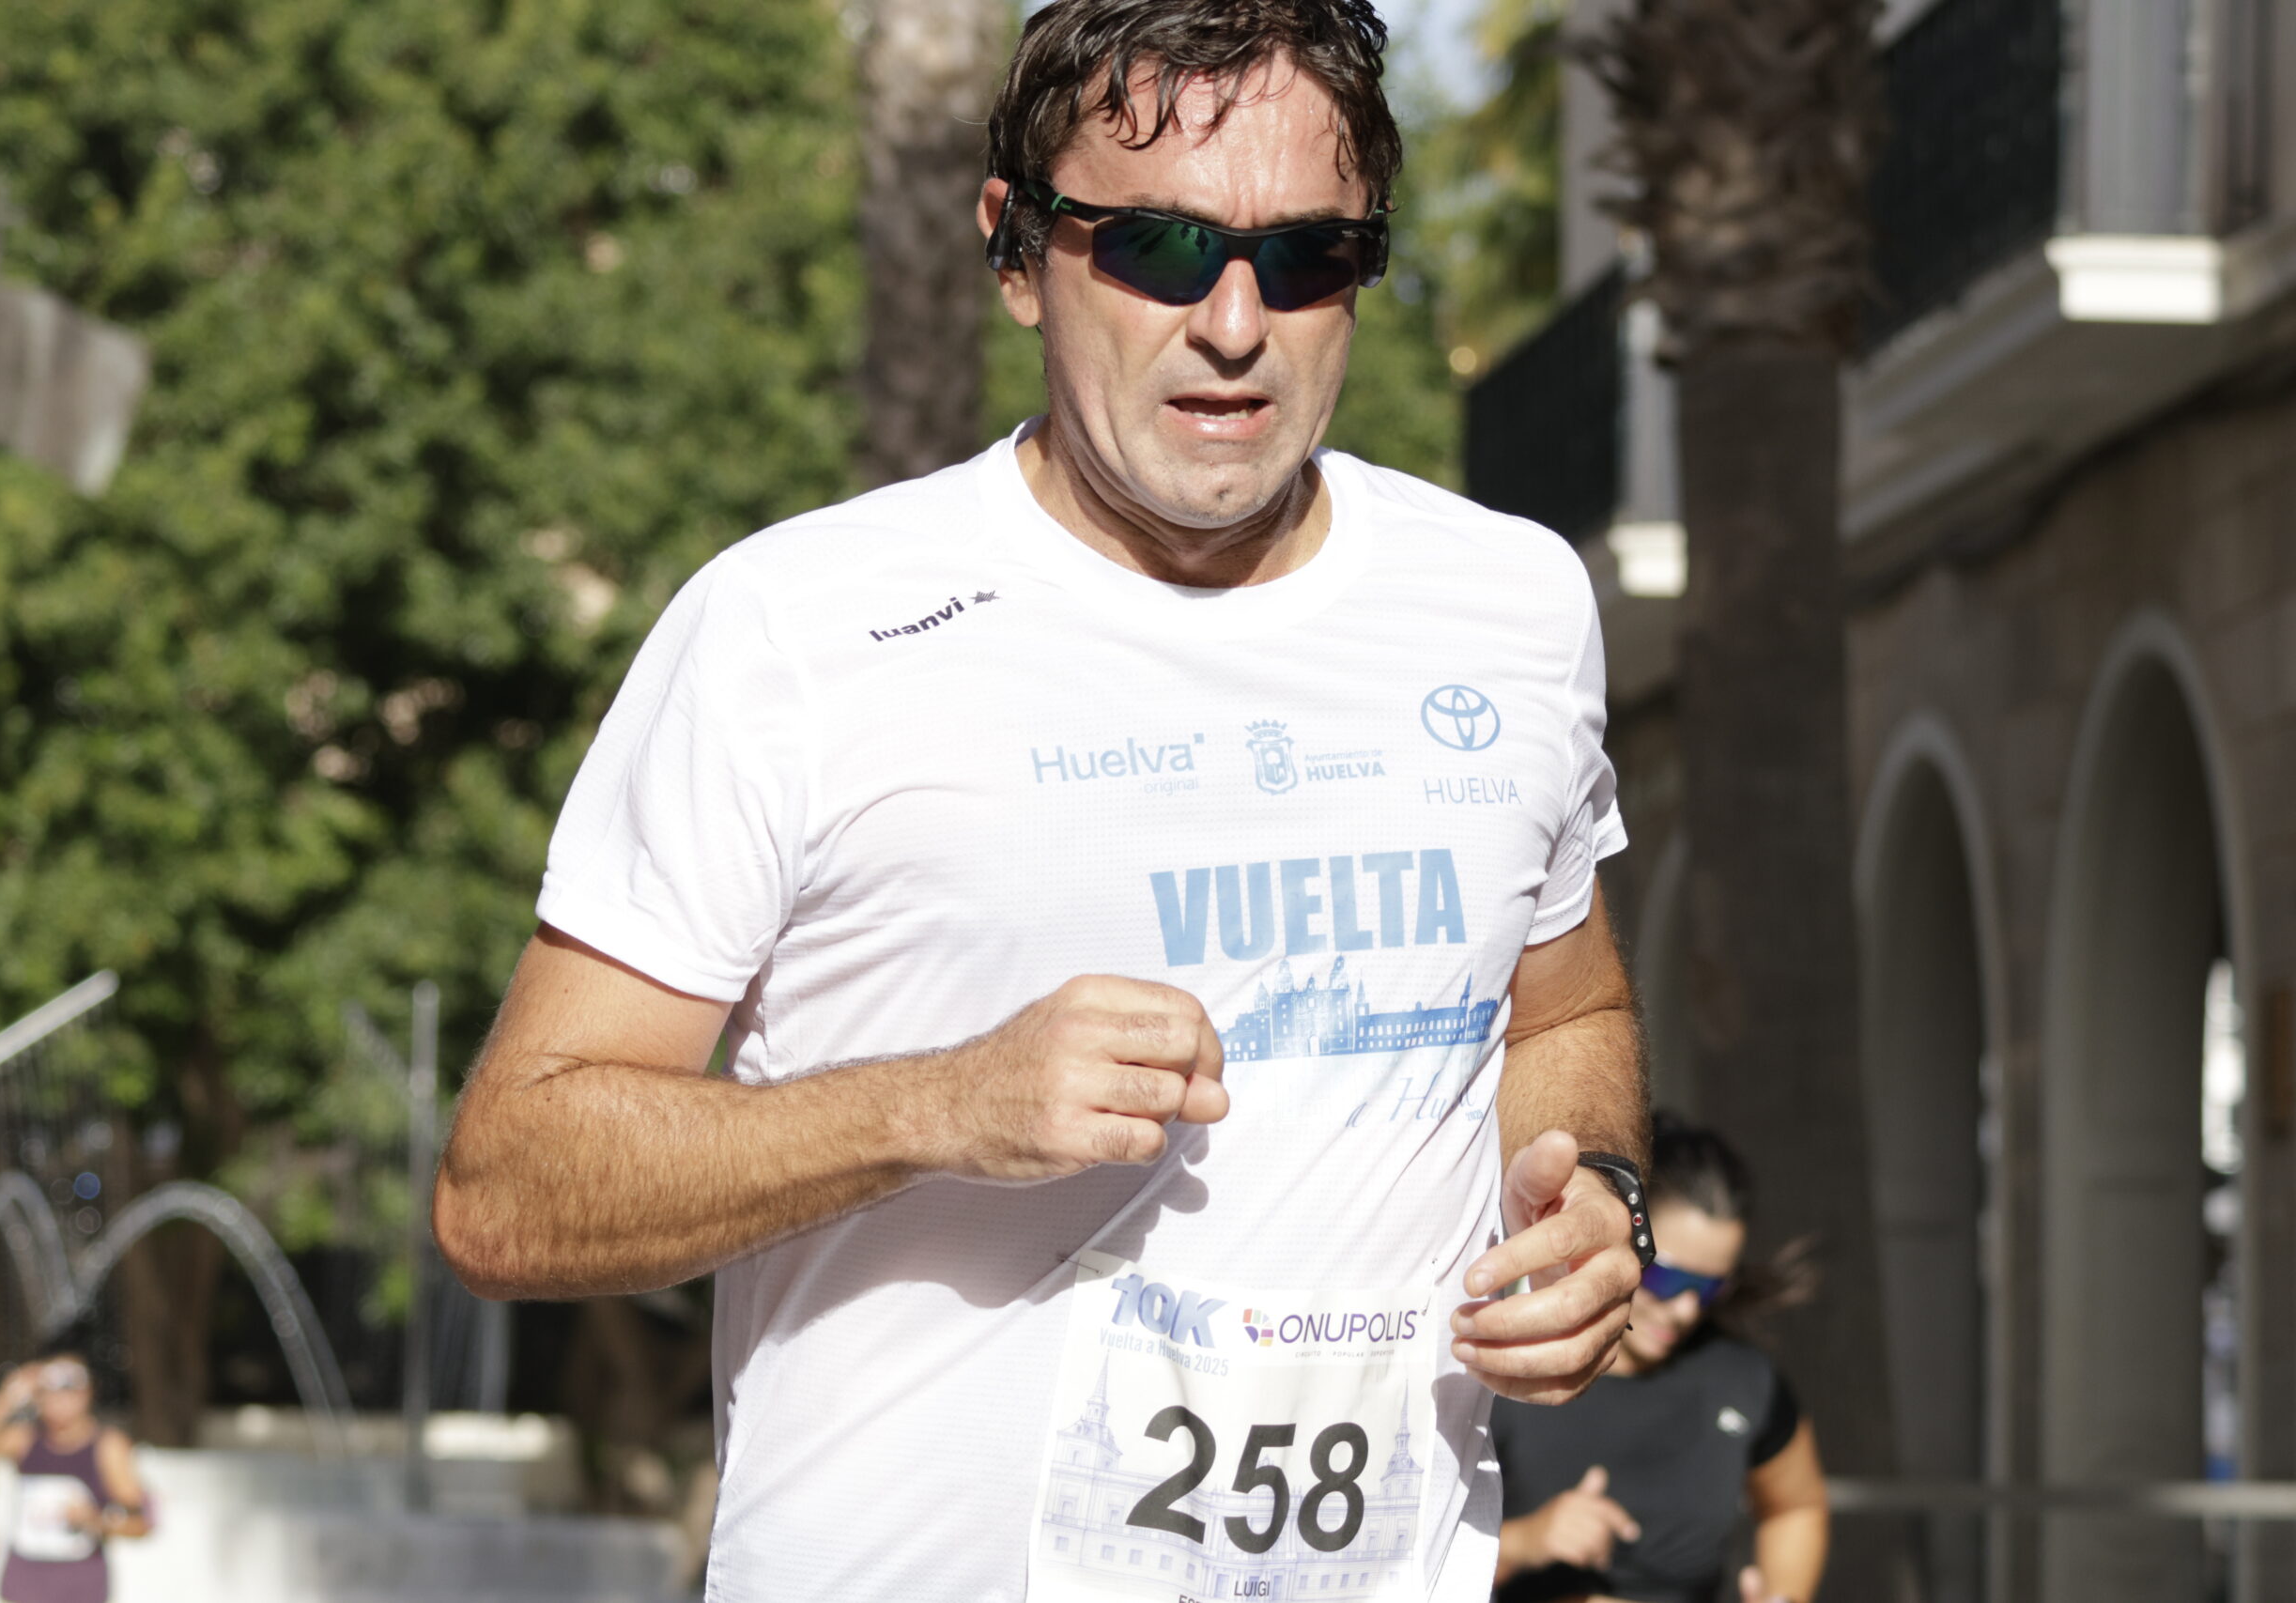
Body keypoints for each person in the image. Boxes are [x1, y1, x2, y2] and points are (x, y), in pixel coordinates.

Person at [435, 1, 1651, 1597]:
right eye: (1159, 247)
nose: (1235, 323)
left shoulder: (1509, 604)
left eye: (1307, 258)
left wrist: (1599, 1198)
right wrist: (936, 1104)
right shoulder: (799, 628)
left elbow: (1567, 1012)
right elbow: (506, 1185)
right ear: (1017, 253)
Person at [1491, 1120, 1827, 1603]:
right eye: (1668, 1279)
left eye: (1709, 1288)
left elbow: (1795, 1507)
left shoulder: (1743, 1380)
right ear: (1616, 1236)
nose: (1686, 1309)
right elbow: (1412, 1550)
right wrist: (1525, 1542)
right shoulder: (1508, 1368)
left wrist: (1785, 1595)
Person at [0, 1354, 151, 1603]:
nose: (59, 1399)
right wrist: (11, 1395)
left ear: (87, 1393)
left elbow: (142, 1522)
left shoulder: (107, 1447)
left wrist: (95, 1520)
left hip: (80, 1587)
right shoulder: (26, 1438)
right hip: (24, 1582)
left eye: (70, 1389)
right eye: (50, 1390)